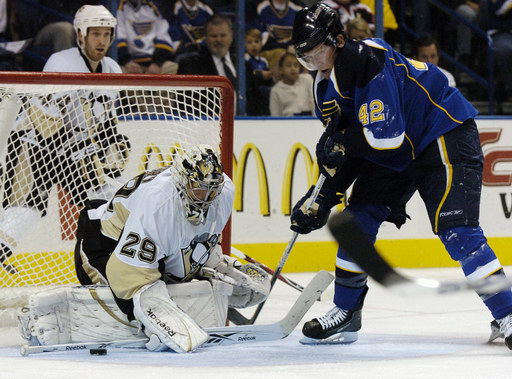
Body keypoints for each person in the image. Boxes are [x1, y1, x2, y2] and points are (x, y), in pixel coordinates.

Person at [289, 3, 512, 350]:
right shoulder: (323, 91)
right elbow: (347, 153)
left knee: (459, 233)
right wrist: (320, 196)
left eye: (319, 49)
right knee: (355, 224)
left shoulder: (370, 61)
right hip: (395, 148)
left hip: (441, 133)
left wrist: (341, 149)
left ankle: (508, 312)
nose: (314, 60)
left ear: (339, 40)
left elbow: (384, 139)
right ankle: (346, 312)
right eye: (306, 55)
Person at [72, 145, 270, 352]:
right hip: (103, 245)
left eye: (211, 190)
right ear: (181, 181)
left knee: (173, 286)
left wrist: (211, 265)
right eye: (198, 189)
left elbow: (199, 237)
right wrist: (157, 319)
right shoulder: (158, 203)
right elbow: (126, 274)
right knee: (128, 307)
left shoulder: (225, 190)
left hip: (149, 246)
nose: (205, 198)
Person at [0, 5, 130, 274]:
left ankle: (106, 261)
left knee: (104, 198)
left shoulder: (112, 68)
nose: (102, 41)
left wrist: (111, 144)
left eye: (107, 34)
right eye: (95, 34)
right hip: (34, 144)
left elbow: (106, 121)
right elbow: (44, 119)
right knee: (30, 206)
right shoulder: (61, 62)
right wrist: (78, 147)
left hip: (73, 149)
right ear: (81, 34)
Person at [116, 0, 177, 74]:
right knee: (117, 71)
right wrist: (127, 62)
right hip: (129, 63)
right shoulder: (118, 8)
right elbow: (118, 39)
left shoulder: (155, 7)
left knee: (173, 68)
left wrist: (157, 64)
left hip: (154, 61)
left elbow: (163, 37)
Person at [245, 28, 273, 115]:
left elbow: (269, 76)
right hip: (252, 90)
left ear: (261, 43)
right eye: (249, 42)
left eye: (256, 42)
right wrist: (260, 74)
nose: (253, 45)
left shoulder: (264, 61)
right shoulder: (245, 59)